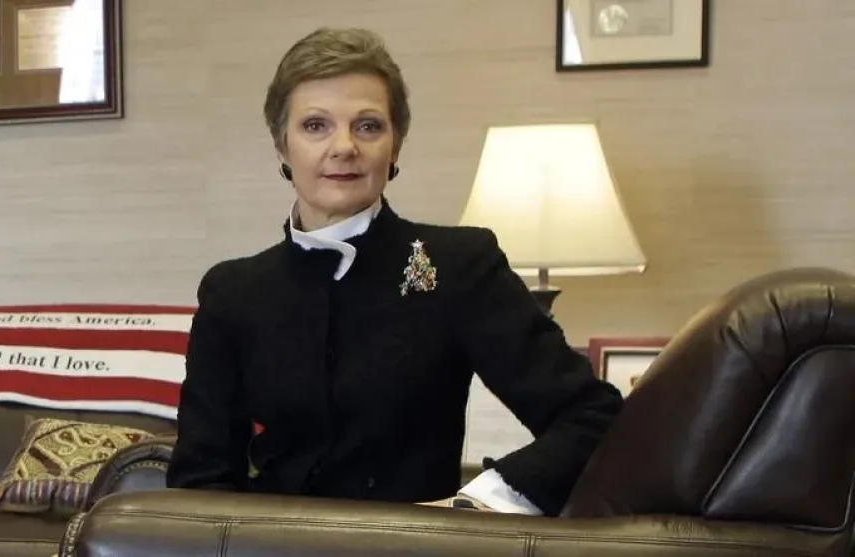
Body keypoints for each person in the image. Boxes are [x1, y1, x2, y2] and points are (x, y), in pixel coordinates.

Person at [165, 27, 624, 516]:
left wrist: (477, 505)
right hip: (271, 545)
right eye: (315, 125)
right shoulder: (233, 292)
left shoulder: (461, 264)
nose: (344, 147)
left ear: (395, 146)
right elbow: (200, 480)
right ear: (282, 147)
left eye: (367, 126)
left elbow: (593, 417)